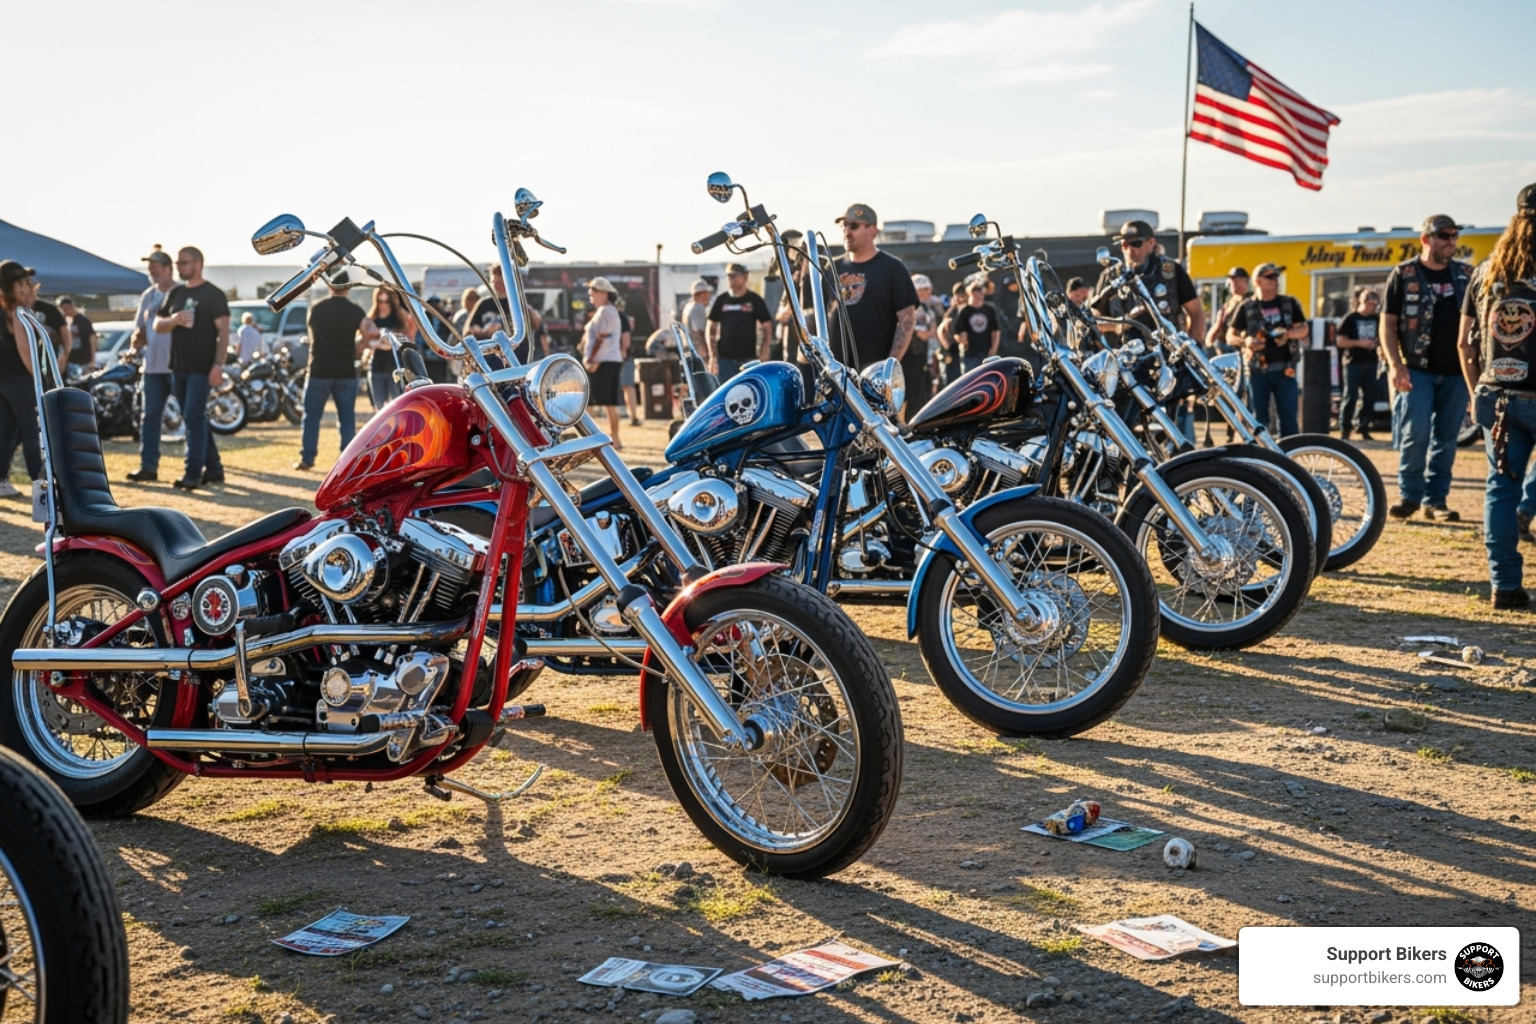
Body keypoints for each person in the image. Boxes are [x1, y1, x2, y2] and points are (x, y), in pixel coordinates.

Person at [1458, 184, 1536, 608]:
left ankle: (1504, 586)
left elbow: (1464, 345)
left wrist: (1475, 394)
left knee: (1500, 492)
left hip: (1497, 396)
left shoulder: (1486, 271)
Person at [1382, 214, 1474, 521]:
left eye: (1454, 235)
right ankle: (1409, 496)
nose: (1451, 241)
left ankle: (1435, 501)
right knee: (1415, 433)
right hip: (1416, 369)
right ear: (1426, 239)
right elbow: (1388, 324)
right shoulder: (1404, 274)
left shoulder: (1466, 274)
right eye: (1444, 235)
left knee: (1447, 438)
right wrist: (1396, 365)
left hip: (1457, 371)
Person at [829, 203, 919, 415]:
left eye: (853, 226)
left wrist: (888, 370)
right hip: (838, 375)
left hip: (875, 377)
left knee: (881, 440)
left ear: (872, 230)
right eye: (844, 226)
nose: (846, 231)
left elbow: (907, 320)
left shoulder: (892, 268)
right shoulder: (830, 268)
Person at [153, 246, 228, 490]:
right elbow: (157, 324)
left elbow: (223, 333)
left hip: (202, 367)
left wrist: (218, 365)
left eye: (183, 263)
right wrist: (174, 320)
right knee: (194, 417)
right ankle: (215, 469)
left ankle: (192, 473)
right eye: (178, 263)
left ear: (198, 264)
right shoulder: (175, 293)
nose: (179, 267)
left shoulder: (213, 294)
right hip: (178, 366)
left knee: (194, 417)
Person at [296, 271, 375, 471]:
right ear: (348, 287)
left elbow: (310, 334)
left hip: (319, 369)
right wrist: (362, 344)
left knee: (311, 416)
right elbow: (372, 331)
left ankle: (307, 457)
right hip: (345, 370)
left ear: (330, 286)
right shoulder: (355, 310)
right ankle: (347, 461)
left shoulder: (316, 308)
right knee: (346, 417)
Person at [1091, 220, 1207, 347]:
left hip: (1169, 353)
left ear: (1151, 243)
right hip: (1126, 357)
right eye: (1124, 244)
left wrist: (1194, 344)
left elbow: (1196, 313)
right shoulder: (1110, 277)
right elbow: (1096, 320)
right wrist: (1122, 324)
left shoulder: (1171, 272)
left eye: (1136, 243)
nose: (1130, 249)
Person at [1231, 262, 1307, 437]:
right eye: (1269, 277)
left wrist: (1288, 334)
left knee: (1289, 419)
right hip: (1257, 370)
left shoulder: (1289, 303)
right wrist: (1247, 341)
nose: (1274, 280)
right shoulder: (1246, 306)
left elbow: (1304, 329)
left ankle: (1288, 458)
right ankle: (1261, 458)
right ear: (1257, 280)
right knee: (1257, 420)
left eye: (1276, 276)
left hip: (1285, 368)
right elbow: (1230, 335)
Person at [126, 247, 176, 482]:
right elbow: (140, 328)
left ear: (168, 269)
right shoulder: (148, 295)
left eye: (156, 267)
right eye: (150, 268)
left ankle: (208, 465)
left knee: (192, 415)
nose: (152, 271)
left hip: (178, 365)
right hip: (153, 367)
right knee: (150, 417)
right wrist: (135, 344)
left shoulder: (181, 292)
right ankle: (148, 466)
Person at [0, 261, 44, 499]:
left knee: (5, 432)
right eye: (22, 283)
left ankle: (1, 480)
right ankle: (41, 485)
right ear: (11, 286)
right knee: (32, 431)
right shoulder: (17, 311)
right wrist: (36, 377)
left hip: (4, 380)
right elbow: (23, 348)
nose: (27, 287)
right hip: (19, 379)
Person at [706, 263, 771, 382]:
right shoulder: (722, 300)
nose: (731, 279)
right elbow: (711, 327)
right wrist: (713, 357)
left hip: (748, 359)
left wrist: (764, 349)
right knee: (726, 396)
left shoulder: (754, 300)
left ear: (745, 277)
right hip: (725, 361)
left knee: (749, 394)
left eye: (735, 275)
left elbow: (766, 325)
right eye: (729, 275)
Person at [466, 264, 542, 362]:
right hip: (490, 363)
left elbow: (537, 328)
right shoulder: (483, 304)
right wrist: (484, 331)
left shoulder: (519, 306)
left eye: (501, 282)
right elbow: (468, 332)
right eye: (495, 282)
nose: (497, 286)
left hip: (518, 361)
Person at [582, 277, 625, 447]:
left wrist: (592, 358)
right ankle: (610, 438)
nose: (590, 295)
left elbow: (602, 337)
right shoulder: (608, 310)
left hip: (602, 361)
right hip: (606, 360)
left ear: (603, 293)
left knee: (599, 402)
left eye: (593, 291)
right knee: (604, 402)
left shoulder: (605, 311)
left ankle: (598, 438)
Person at [1336, 286, 1381, 441]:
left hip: (1372, 362)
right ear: (1362, 302)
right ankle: (1345, 428)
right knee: (1351, 396)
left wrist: (1378, 342)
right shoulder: (1351, 318)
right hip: (1353, 362)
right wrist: (1359, 343)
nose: (1372, 308)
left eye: (1374, 305)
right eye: (1369, 304)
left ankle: (1363, 426)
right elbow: (1340, 341)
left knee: (1370, 396)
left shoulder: (1377, 319)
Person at [365, 286, 415, 410]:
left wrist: (383, 342)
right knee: (379, 406)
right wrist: (374, 343)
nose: (383, 305)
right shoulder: (371, 319)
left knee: (398, 405)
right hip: (377, 367)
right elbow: (364, 340)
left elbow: (408, 338)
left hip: (396, 367)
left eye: (386, 301)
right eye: (379, 301)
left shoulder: (400, 319)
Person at [940, 277, 1000, 373]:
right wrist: (961, 339)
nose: (980, 294)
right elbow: (957, 332)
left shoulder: (989, 309)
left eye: (981, 291)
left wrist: (993, 350)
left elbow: (995, 331)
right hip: (970, 355)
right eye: (976, 291)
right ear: (970, 293)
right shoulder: (965, 311)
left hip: (987, 353)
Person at [1207, 266, 1251, 353]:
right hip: (1223, 350)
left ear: (1246, 281)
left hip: (1242, 349)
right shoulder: (1228, 304)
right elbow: (1218, 326)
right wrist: (1209, 342)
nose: (1234, 283)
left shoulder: (1252, 302)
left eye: (1238, 280)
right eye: (1232, 280)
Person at [615, 298, 641, 427]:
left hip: (620, 356)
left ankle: (632, 416)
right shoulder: (624, 317)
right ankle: (633, 416)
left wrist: (622, 353)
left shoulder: (620, 318)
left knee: (625, 387)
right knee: (628, 387)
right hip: (622, 355)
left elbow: (626, 341)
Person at [58, 296, 95, 371]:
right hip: (71, 360)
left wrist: (93, 360)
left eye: (65, 309)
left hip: (83, 360)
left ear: (71, 307)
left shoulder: (82, 320)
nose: (64, 312)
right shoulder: (67, 321)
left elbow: (92, 338)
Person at [682, 280, 712, 360]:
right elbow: (699, 332)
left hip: (689, 349)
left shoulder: (688, 306)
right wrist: (706, 350)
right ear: (700, 294)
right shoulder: (698, 308)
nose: (708, 296)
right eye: (706, 293)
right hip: (699, 351)